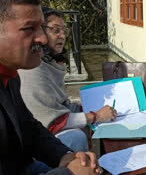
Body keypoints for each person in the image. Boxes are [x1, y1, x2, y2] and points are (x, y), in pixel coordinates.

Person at [0, 0, 101, 175]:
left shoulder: (11, 76)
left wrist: (63, 156)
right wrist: (69, 173)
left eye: (41, 28)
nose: (43, 39)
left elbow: (30, 127)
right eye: (29, 29)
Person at [18, 8, 117, 152]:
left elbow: (60, 105)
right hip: (31, 143)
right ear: (39, 33)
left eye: (64, 30)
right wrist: (96, 115)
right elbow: (50, 120)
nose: (62, 36)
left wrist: (87, 109)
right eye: (56, 30)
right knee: (76, 137)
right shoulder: (33, 69)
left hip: (44, 132)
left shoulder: (49, 63)